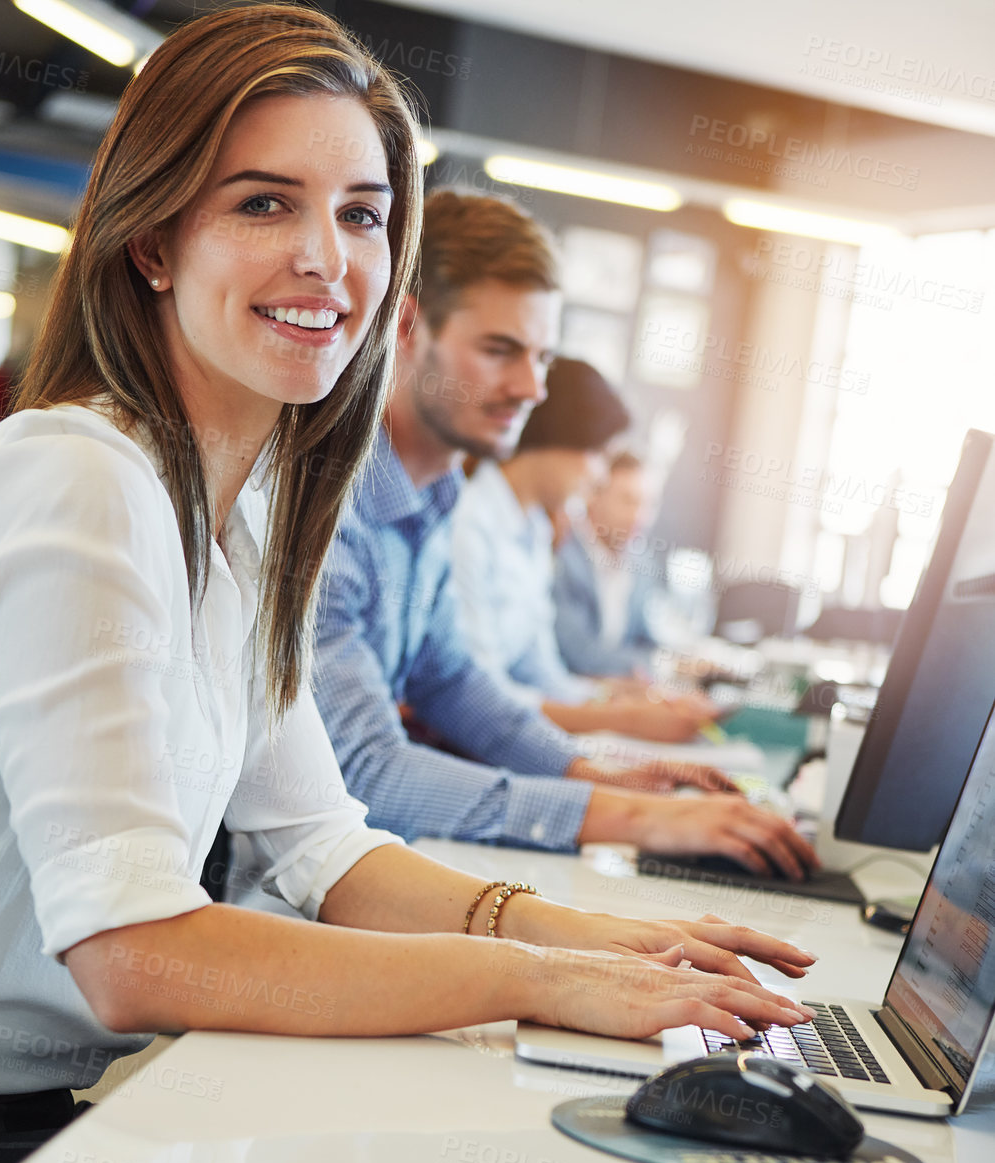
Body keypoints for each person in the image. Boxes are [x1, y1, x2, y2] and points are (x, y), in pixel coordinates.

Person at [0, 6, 816, 1163]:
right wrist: (541, 979)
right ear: (153, 242)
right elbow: (134, 953)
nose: (326, 257)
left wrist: (617, 943)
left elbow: (323, 845)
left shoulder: (242, 511)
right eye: (263, 203)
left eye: (361, 213)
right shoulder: (74, 476)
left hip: (23, 1113)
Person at [313, 187, 818, 872]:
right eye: (500, 349)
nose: (532, 388)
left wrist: (599, 776)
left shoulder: (434, 497)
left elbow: (454, 682)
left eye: (543, 357)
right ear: (406, 330)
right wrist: (633, 816)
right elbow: (365, 770)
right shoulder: (328, 509)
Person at [450, 360, 717, 741]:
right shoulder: (471, 523)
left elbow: (544, 675)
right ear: (562, 440)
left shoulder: (535, 531)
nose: (598, 477)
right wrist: (626, 720)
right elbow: (480, 698)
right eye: (600, 456)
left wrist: (621, 698)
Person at [554, 451, 659, 680]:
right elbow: (578, 655)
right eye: (628, 501)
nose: (640, 516)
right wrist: (643, 667)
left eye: (648, 504)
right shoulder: (562, 553)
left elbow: (647, 641)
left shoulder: (640, 560)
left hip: (619, 692)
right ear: (595, 495)